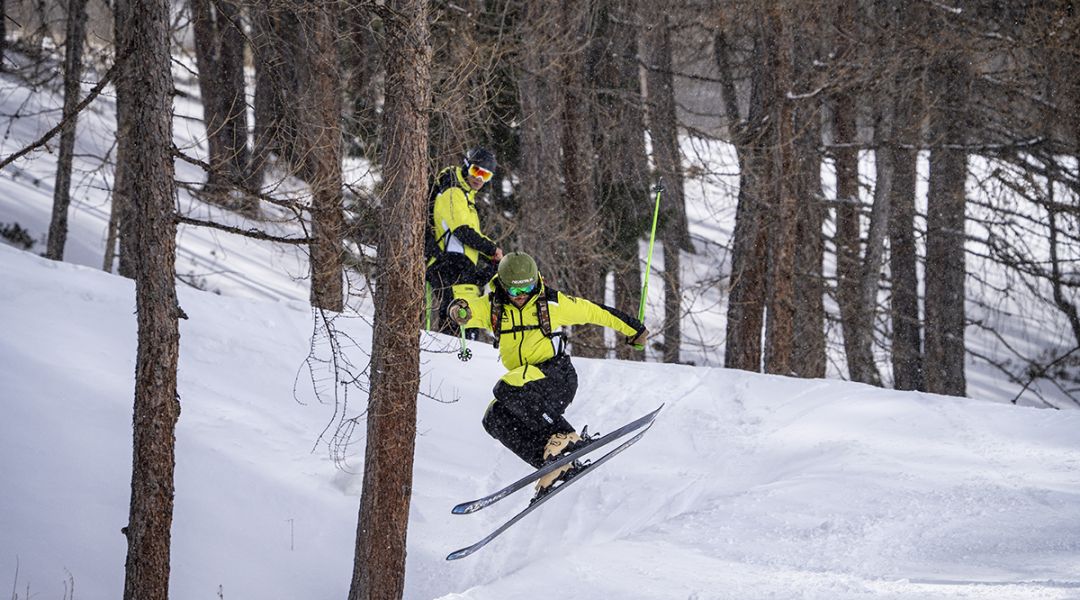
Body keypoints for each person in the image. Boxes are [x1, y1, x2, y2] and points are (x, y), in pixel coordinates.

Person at [448, 252, 648, 498]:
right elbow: (466, 309)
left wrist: (634, 330)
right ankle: (553, 465)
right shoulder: (493, 308)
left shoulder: (551, 304)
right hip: (527, 386)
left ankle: (566, 435)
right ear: (502, 286)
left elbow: (595, 311)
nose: (522, 297)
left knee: (505, 388)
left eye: (528, 288)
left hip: (556, 377)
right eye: (514, 291)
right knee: (494, 417)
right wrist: (459, 310)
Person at [425, 147, 503, 335]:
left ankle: (461, 356)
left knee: (468, 315)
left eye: (486, 176)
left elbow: (469, 240)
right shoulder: (453, 193)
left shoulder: (466, 197)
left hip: (460, 264)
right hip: (448, 263)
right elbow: (462, 232)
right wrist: (492, 249)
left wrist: (494, 258)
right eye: (477, 171)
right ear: (467, 166)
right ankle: (455, 358)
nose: (479, 179)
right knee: (460, 317)